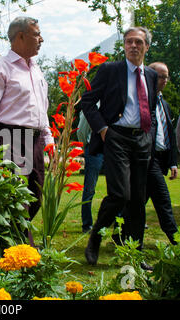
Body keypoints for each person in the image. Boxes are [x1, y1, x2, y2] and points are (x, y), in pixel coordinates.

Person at [81, 26, 158, 268]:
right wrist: (103, 130)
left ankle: (134, 253)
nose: (133, 46)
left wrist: (150, 135)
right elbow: (87, 102)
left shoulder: (152, 75)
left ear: (146, 46)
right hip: (116, 137)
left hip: (142, 139)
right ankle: (95, 238)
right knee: (119, 194)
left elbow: (152, 109)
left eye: (138, 42)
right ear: (124, 46)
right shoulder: (110, 70)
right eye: (129, 42)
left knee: (137, 199)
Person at [0, 16, 53, 246]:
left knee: (36, 195)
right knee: (19, 197)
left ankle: (10, 239)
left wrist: (49, 140)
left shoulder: (37, 70)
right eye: (36, 34)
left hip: (36, 140)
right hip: (11, 139)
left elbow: (43, 110)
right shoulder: (0, 68)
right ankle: (23, 251)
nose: (41, 39)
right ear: (20, 36)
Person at [143, 62, 178, 245]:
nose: (164, 80)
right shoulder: (142, 101)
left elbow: (169, 134)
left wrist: (173, 163)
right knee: (163, 200)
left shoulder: (164, 103)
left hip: (161, 159)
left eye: (166, 77)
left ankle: (120, 234)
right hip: (147, 159)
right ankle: (175, 239)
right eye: (160, 76)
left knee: (138, 202)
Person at [77, 110, 104, 233]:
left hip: (113, 149)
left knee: (117, 188)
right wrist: (86, 145)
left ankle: (117, 222)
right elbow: (81, 130)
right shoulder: (94, 104)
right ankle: (87, 224)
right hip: (94, 150)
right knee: (89, 189)